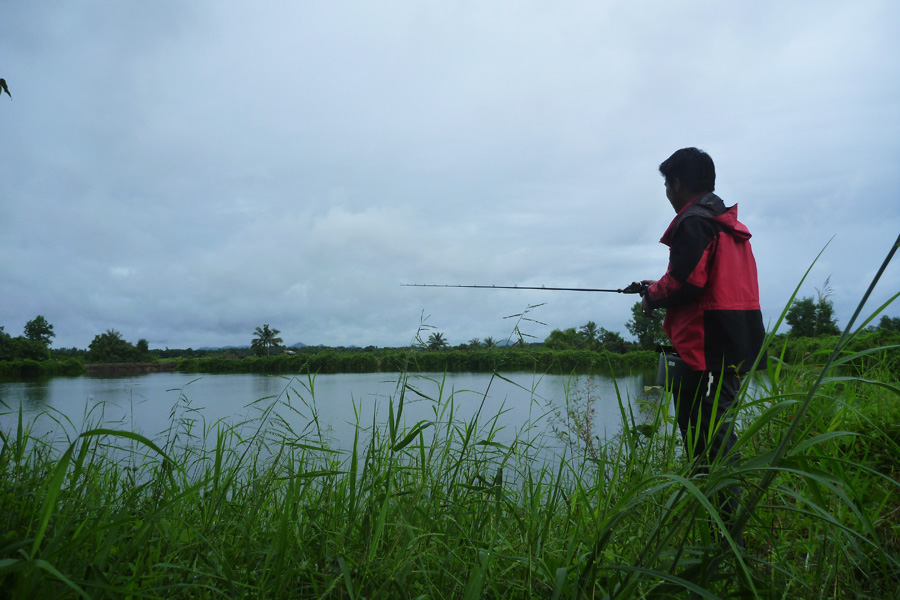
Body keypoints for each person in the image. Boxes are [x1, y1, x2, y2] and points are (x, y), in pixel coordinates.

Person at [638, 147, 765, 541]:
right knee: (712, 432)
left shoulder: (694, 221)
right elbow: (701, 279)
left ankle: (727, 539)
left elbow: (686, 281)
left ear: (677, 183)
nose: (667, 192)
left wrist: (651, 297)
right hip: (730, 341)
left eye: (666, 184)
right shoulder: (724, 223)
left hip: (709, 348)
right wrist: (654, 288)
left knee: (709, 439)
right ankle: (717, 529)